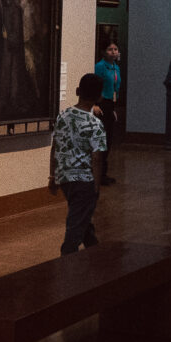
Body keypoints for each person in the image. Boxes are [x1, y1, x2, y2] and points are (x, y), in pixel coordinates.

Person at [49, 74, 110, 254]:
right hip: (84, 180)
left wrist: (52, 175)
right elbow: (96, 158)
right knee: (76, 225)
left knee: (82, 218)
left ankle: (96, 255)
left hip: (64, 177)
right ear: (99, 97)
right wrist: (96, 186)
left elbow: (55, 147)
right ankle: (67, 258)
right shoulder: (95, 124)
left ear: (77, 91)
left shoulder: (63, 116)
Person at [93, 39, 124, 182]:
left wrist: (114, 108)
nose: (113, 52)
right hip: (101, 103)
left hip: (110, 104)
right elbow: (96, 85)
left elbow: (116, 88)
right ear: (104, 52)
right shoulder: (100, 67)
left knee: (108, 139)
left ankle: (103, 173)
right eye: (110, 49)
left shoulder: (116, 68)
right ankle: (98, 173)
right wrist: (95, 104)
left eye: (115, 49)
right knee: (101, 138)